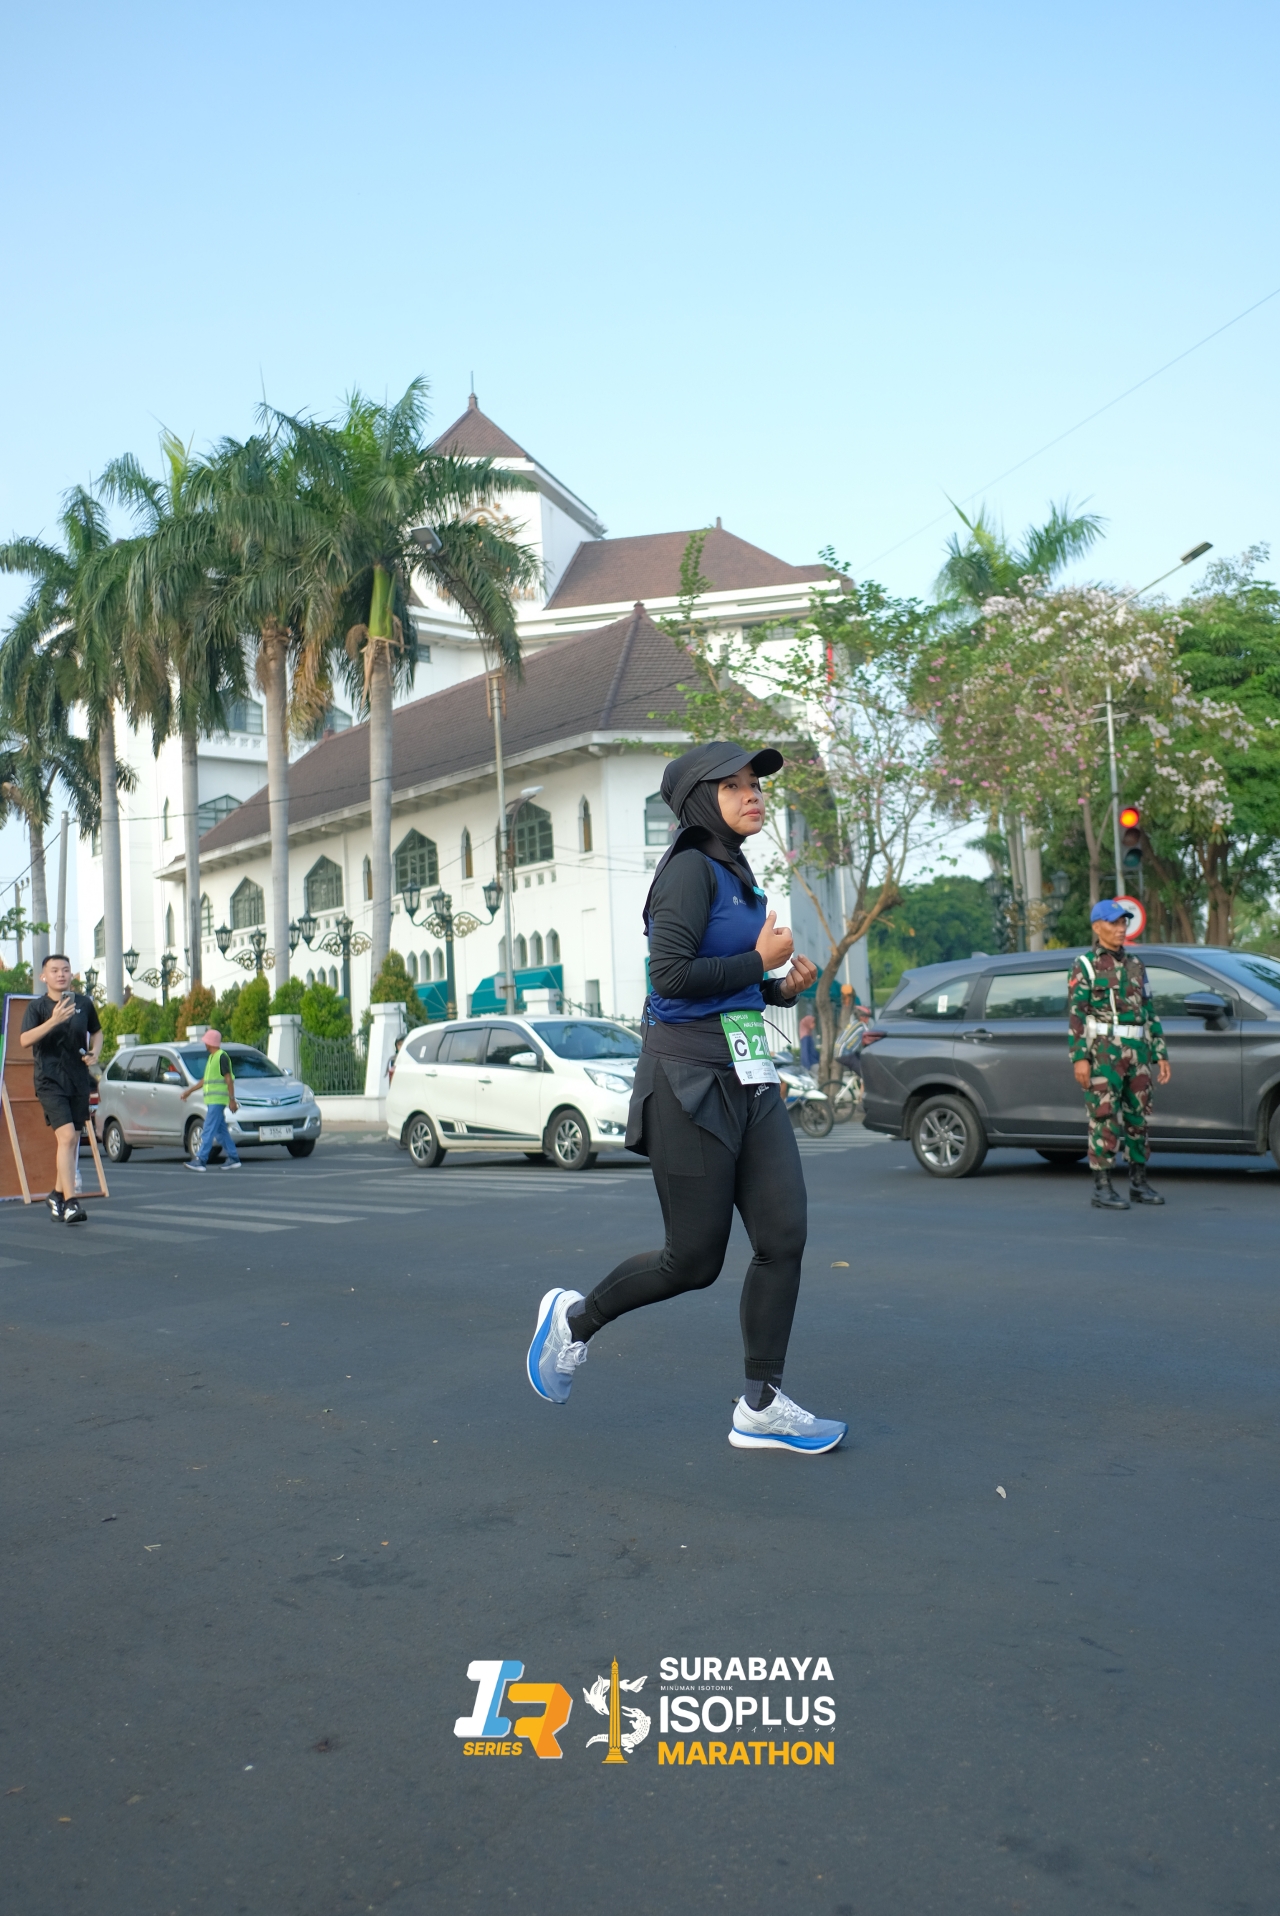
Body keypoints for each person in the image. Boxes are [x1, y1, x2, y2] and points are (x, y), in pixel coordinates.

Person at [526, 740, 848, 1455]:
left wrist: (777, 987)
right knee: (693, 1261)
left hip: (749, 1074)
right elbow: (670, 978)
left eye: (755, 783)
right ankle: (575, 1322)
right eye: (733, 785)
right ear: (701, 799)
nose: (753, 794)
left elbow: (727, 983)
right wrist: (758, 960)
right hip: (688, 1082)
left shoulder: (736, 870)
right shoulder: (687, 871)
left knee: (783, 1238)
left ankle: (761, 1405)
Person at [1067, 900, 1171, 1211]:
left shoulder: (1136, 964)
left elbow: (1149, 1008)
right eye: (1114, 923)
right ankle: (1102, 1187)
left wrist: (1160, 1052)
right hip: (1103, 1050)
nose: (1121, 928)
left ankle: (1139, 1182)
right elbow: (1076, 1014)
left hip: (1137, 1050)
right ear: (1097, 927)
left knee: (1138, 1117)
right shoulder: (1085, 965)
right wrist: (1079, 1057)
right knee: (1104, 1117)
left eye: (1123, 922)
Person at [17, 953, 101, 1223]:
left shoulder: (83, 1003)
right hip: (50, 1080)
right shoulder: (37, 1008)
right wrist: (53, 1020)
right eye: (54, 970)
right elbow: (24, 1040)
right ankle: (71, 1202)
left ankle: (56, 1194)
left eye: (65, 969)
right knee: (66, 1137)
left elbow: (96, 1032)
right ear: (44, 977)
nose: (61, 974)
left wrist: (95, 1052)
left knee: (72, 1140)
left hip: (78, 1079)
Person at [180, 1029, 242, 1171]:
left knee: (207, 1129)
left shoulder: (221, 1056)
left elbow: (229, 1079)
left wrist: (232, 1100)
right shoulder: (212, 1058)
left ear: (211, 1042)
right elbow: (205, 1080)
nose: (205, 1044)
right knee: (220, 1132)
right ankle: (233, 1158)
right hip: (213, 1101)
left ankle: (201, 1160)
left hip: (217, 1101)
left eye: (206, 1041)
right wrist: (189, 1091)